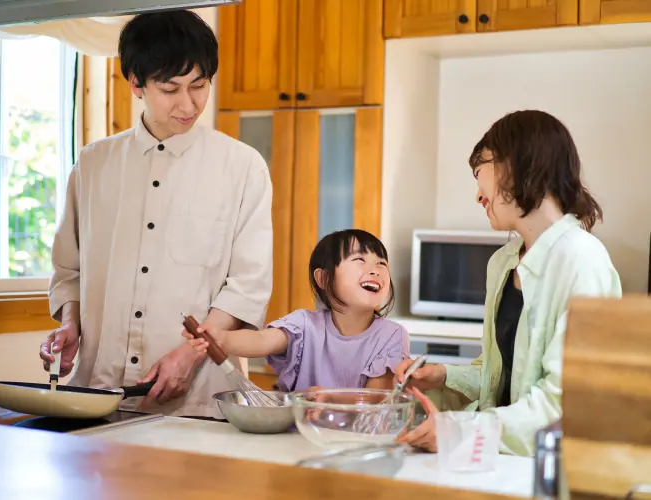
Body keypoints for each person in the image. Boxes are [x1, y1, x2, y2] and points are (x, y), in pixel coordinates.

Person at [38, 11, 273, 419]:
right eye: (170, 89)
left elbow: (248, 286)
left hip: (196, 404)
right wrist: (70, 325)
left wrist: (190, 353)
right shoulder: (94, 164)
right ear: (135, 84)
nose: (190, 104)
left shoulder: (242, 166)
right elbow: (68, 269)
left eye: (200, 85)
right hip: (97, 395)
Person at [394, 110, 622, 456]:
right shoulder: (502, 263)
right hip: (498, 461)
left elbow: (566, 402)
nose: (478, 195)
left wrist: (460, 429)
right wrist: (445, 376)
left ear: (516, 165)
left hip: (548, 466)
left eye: (479, 170)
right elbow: (503, 377)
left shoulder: (582, 260)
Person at [184, 229, 411, 392]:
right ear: (323, 278)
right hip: (301, 437)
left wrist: (329, 400)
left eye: (382, 263)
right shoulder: (304, 324)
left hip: (361, 444)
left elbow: (376, 397)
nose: (375, 270)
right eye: (360, 259)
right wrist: (221, 339)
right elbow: (262, 340)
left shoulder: (392, 335)